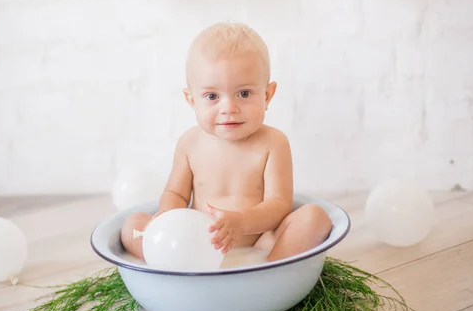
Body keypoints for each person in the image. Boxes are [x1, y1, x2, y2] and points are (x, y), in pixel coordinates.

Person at [120, 22, 332, 263]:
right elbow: (175, 193)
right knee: (133, 227)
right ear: (192, 100)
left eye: (244, 93)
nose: (229, 108)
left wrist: (241, 223)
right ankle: (178, 262)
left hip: (259, 243)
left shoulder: (273, 143)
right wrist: (167, 218)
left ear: (267, 95)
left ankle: (271, 267)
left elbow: (279, 205)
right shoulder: (190, 143)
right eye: (212, 96)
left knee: (315, 217)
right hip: (196, 243)